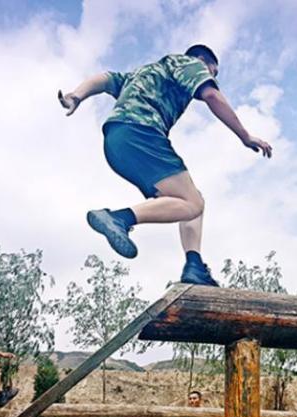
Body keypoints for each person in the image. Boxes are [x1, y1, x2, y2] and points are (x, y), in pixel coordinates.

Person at [59, 44, 273, 286]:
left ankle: (194, 266)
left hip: (116, 141)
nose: (210, 79)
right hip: (142, 133)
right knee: (193, 203)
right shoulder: (190, 64)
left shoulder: (145, 72)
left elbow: (106, 79)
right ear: (204, 62)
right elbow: (212, 96)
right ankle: (119, 218)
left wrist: (76, 96)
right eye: (213, 73)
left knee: (191, 200)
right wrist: (245, 136)